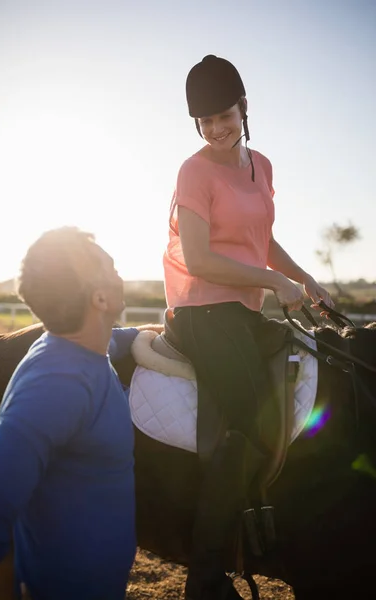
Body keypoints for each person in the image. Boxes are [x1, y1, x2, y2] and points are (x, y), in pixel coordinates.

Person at [163, 55, 334, 600]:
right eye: (204, 121)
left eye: (224, 116)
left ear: (244, 107)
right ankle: (207, 581)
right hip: (199, 313)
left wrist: (303, 278)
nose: (215, 129)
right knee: (247, 421)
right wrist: (268, 280)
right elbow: (199, 257)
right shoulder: (194, 171)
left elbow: (263, 238)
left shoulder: (261, 165)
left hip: (243, 312)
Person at [0, 227, 150, 600]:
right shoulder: (58, 384)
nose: (120, 276)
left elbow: (110, 341)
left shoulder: (76, 348)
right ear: (99, 298)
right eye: (112, 268)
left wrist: (140, 335)